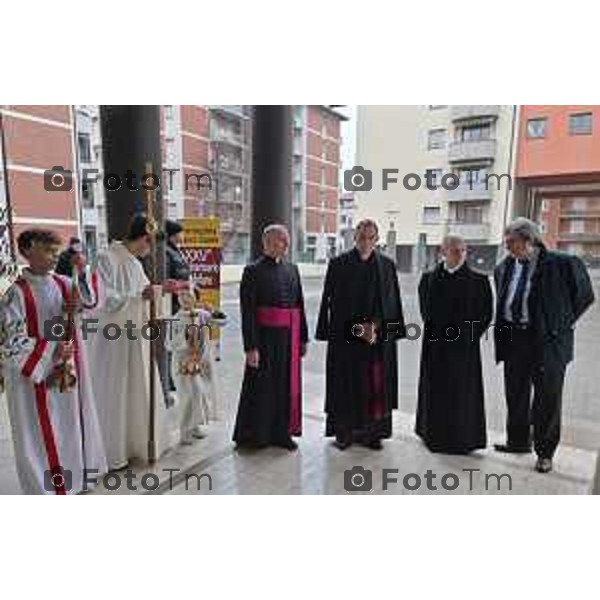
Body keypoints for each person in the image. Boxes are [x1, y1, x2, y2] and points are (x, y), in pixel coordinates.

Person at [1, 229, 106, 494]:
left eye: (56, 252)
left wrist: (80, 281)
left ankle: (74, 480)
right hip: (33, 376)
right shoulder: (16, 294)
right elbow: (12, 342)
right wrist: (51, 350)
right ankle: (44, 489)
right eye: (47, 251)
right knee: (38, 434)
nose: (53, 257)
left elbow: (91, 303)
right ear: (27, 252)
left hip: (65, 370)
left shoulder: (62, 282)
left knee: (68, 427)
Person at [493, 217, 595, 473]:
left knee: (547, 399)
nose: (508, 248)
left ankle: (545, 453)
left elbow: (584, 296)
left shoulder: (563, 264)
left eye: (511, 243)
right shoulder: (504, 266)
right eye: (506, 243)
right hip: (515, 339)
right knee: (515, 393)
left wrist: (559, 324)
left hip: (547, 342)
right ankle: (517, 442)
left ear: (529, 240)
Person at [87, 214, 176, 470]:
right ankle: (116, 449)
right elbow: (104, 299)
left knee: (138, 389)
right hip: (114, 340)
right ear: (144, 238)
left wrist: (160, 291)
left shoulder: (135, 264)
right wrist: (141, 295)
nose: (150, 251)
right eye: (150, 244)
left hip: (136, 337)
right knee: (118, 391)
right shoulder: (107, 258)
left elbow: (147, 294)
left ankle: (138, 443)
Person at [315, 219, 405, 450]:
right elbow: (331, 304)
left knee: (375, 386)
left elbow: (392, 302)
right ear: (355, 237)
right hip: (347, 340)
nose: (366, 242)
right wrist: (357, 330)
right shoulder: (339, 264)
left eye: (371, 237)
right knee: (346, 386)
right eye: (362, 237)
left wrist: (378, 328)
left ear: (377, 239)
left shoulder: (387, 266)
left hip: (376, 339)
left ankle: (372, 433)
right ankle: (344, 432)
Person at [233, 224, 308, 451]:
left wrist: (302, 339)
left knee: (285, 387)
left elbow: (299, 306)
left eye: (286, 240)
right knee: (262, 388)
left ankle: (282, 433)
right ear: (266, 243)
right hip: (263, 340)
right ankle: (257, 434)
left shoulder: (292, 269)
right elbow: (247, 313)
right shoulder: (252, 271)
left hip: (288, 340)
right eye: (280, 240)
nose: (285, 244)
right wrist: (251, 347)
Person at [415, 235, 493, 454]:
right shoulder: (428, 279)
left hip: (464, 350)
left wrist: (465, 336)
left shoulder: (479, 281)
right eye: (455, 250)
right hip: (436, 348)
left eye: (463, 250)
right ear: (443, 252)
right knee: (435, 393)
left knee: (462, 396)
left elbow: (486, 315)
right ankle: (433, 436)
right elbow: (425, 312)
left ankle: (463, 440)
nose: (460, 254)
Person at [166, 290, 219, 444]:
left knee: (197, 393)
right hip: (181, 362)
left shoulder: (200, 315)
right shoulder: (175, 319)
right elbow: (168, 344)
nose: (187, 300)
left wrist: (213, 311)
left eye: (189, 296)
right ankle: (184, 432)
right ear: (179, 300)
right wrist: (185, 339)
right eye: (183, 297)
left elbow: (219, 320)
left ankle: (194, 426)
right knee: (186, 395)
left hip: (196, 362)